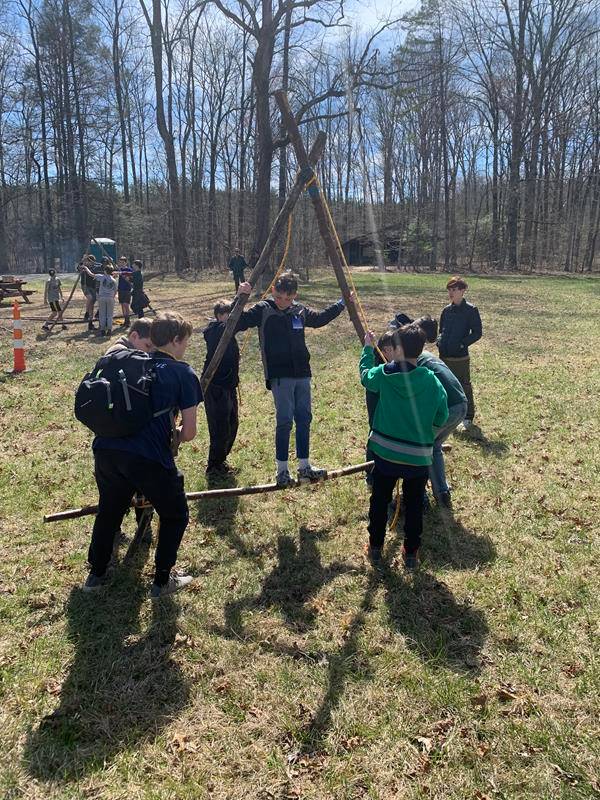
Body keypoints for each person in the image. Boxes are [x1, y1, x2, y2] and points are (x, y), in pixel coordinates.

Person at [83, 311, 202, 598]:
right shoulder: (182, 372)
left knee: (110, 510)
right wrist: (173, 434)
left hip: (107, 450)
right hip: (147, 457)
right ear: (174, 341)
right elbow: (189, 433)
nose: (185, 347)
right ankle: (163, 580)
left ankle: (95, 576)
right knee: (175, 513)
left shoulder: (131, 362)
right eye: (185, 342)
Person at [236, 272, 349, 487]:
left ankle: (304, 466)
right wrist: (239, 297)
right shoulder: (263, 310)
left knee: (304, 418)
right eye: (279, 297)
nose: (282, 303)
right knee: (285, 421)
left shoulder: (299, 311)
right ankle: (282, 470)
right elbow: (238, 322)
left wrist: (342, 303)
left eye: (288, 299)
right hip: (280, 375)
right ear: (272, 292)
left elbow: (319, 319)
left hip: (302, 374)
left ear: (294, 296)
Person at [360, 323, 448, 569]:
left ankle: (376, 547)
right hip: (418, 457)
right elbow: (441, 415)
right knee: (414, 505)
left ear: (397, 349)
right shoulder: (431, 381)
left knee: (379, 501)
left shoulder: (384, 374)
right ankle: (411, 553)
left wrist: (368, 350)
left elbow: (366, 377)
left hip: (385, 453)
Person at [413, 316, 467, 508]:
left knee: (420, 448)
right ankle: (442, 491)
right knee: (434, 444)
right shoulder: (428, 356)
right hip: (461, 404)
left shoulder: (416, 362)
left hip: (448, 407)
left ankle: (418, 495)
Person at [437, 276, 482, 429]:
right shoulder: (446, 310)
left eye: (454, 289)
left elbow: (477, 332)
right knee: (443, 385)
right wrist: (440, 341)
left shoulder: (471, 310)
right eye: (449, 289)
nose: (451, 292)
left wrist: (463, 343)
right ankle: (446, 413)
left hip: (460, 357)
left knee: (464, 386)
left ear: (462, 290)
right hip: (444, 356)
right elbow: (441, 330)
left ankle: (468, 417)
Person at [202, 299, 240, 478]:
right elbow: (221, 330)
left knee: (232, 424)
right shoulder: (213, 331)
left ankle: (221, 460)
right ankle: (214, 467)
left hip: (229, 387)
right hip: (216, 388)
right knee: (219, 428)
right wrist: (239, 297)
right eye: (226, 314)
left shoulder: (229, 333)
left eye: (230, 314)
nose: (229, 317)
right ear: (218, 316)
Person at [80, 261, 118, 336]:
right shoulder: (114, 280)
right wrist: (112, 297)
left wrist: (86, 268)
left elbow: (91, 274)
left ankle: (103, 330)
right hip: (110, 298)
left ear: (105, 271)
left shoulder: (101, 277)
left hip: (102, 298)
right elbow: (115, 290)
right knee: (109, 315)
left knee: (102, 314)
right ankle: (109, 329)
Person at [78, 254, 100, 331]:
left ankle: (90, 323)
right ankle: (86, 313)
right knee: (90, 298)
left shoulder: (95, 268)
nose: (88, 263)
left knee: (92, 303)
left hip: (93, 287)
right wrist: (83, 259)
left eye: (90, 262)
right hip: (85, 286)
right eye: (87, 261)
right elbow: (79, 267)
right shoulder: (83, 267)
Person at [116, 255, 133, 327]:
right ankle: (125, 320)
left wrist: (124, 275)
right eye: (120, 262)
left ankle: (128, 320)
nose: (121, 264)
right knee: (122, 305)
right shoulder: (119, 269)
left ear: (126, 263)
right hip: (120, 289)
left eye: (123, 262)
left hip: (127, 289)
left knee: (126, 305)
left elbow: (130, 278)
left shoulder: (129, 270)